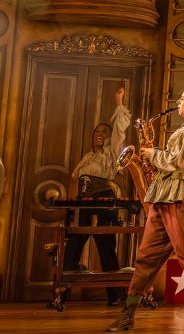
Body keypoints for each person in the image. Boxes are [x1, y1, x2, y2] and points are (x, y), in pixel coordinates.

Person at [106, 85, 184, 333]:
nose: (178, 102)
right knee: (146, 256)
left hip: (183, 197)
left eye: (182, 99)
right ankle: (127, 315)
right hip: (163, 196)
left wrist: (153, 154)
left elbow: (182, 162)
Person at [65, 86, 130, 306]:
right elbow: (76, 180)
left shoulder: (111, 154)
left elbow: (120, 130)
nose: (100, 134)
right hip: (84, 202)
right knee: (73, 244)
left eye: (105, 132)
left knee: (105, 245)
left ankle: (115, 295)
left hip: (103, 199)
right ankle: (62, 292)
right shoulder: (88, 157)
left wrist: (119, 101)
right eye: (97, 132)